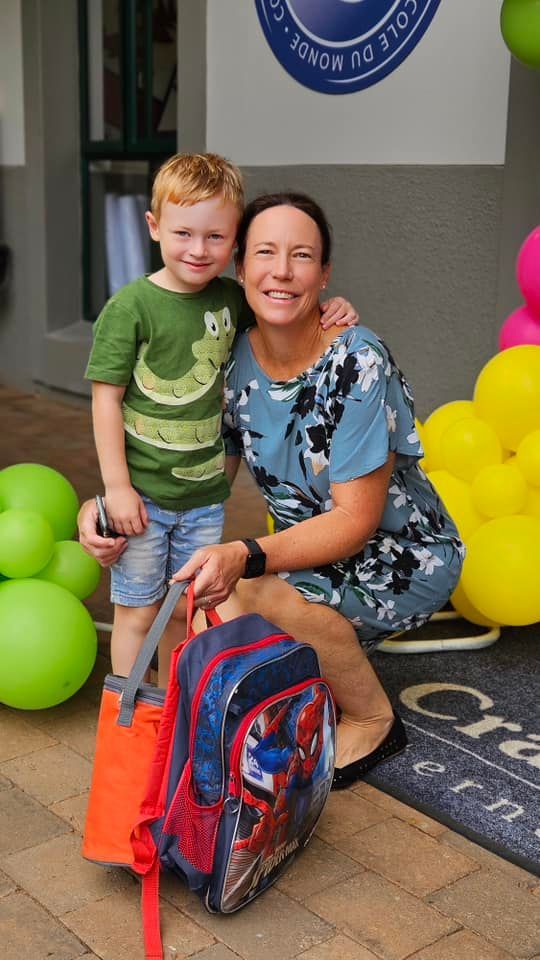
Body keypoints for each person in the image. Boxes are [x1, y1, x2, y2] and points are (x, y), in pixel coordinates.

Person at [80, 190, 464, 789]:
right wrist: (112, 511)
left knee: (257, 594)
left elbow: (355, 521)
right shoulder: (232, 358)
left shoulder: (357, 360)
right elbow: (201, 472)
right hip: (308, 553)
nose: (282, 270)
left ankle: (371, 717)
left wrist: (248, 557)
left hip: (399, 554)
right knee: (207, 601)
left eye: (302, 255)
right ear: (241, 267)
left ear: (324, 272)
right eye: (265, 252)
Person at [84, 156, 358, 686]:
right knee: (138, 612)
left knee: (182, 611)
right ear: (154, 226)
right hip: (141, 499)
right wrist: (116, 488)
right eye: (183, 232)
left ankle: (167, 714)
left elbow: (290, 309)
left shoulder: (233, 298)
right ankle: (126, 719)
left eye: (215, 237)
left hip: (204, 501)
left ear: (232, 243)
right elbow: (104, 401)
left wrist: (334, 305)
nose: (197, 249)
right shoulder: (131, 308)